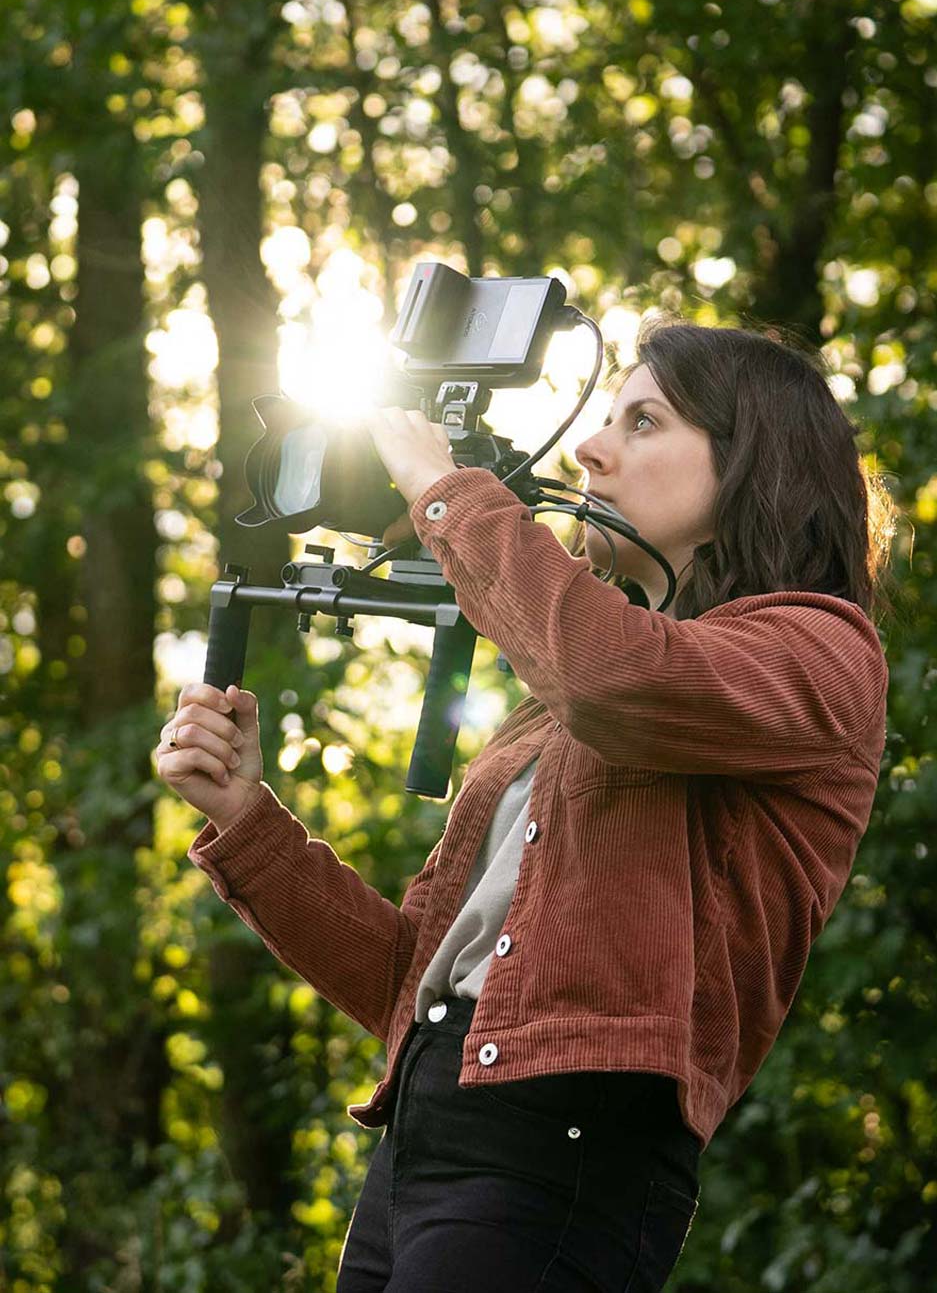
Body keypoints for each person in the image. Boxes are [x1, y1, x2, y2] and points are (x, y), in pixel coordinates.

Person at [155, 315, 897, 1292]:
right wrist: (249, 816)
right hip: (424, 1132)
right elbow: (400, 981)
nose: (588, 445)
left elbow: (619, 676)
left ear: (755, 459)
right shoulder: (550, 710)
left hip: (564, 1142)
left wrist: (439, 485)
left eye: (641, 421)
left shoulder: (817, 652)